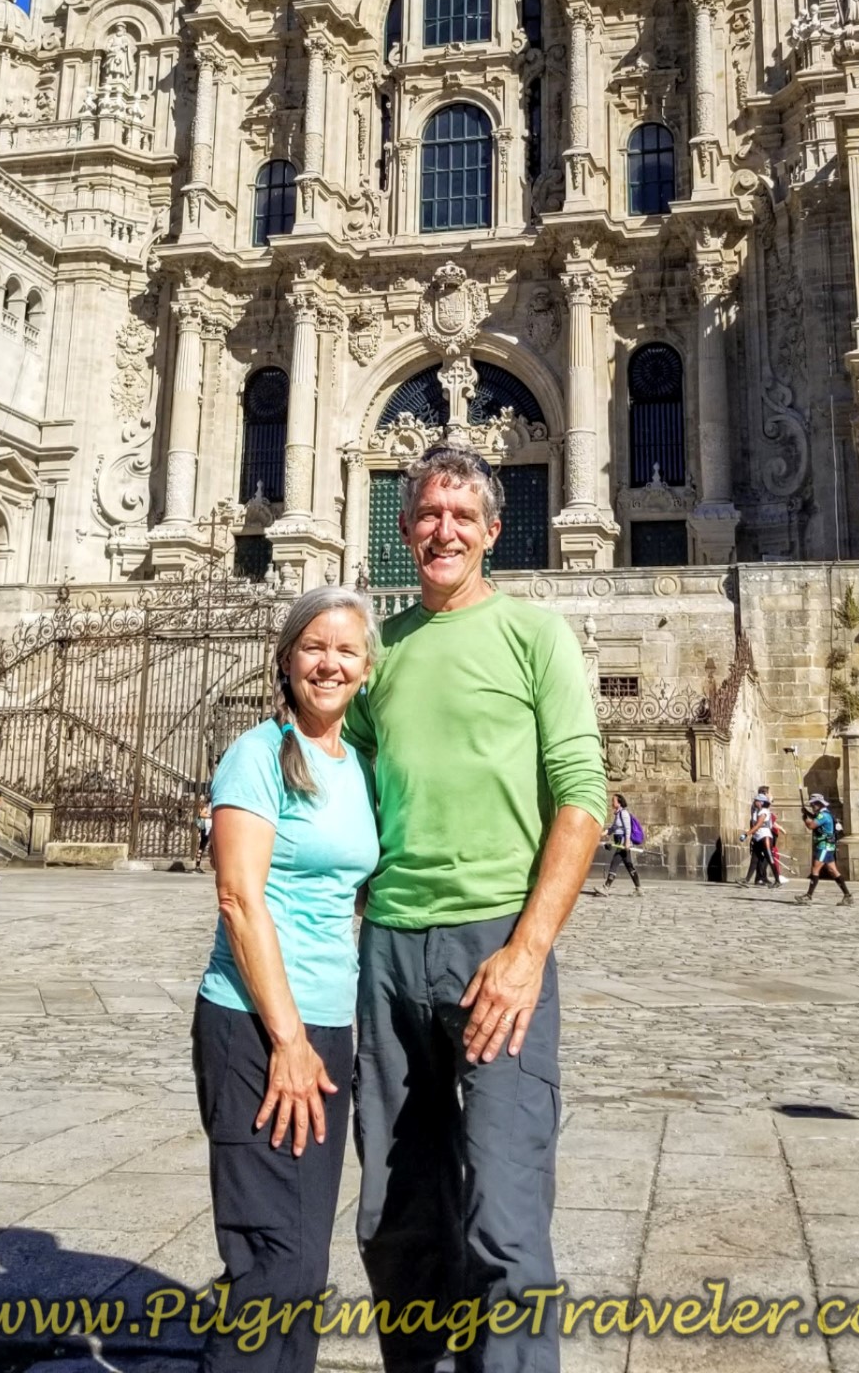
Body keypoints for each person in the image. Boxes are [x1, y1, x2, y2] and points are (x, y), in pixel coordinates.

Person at [346, 445, 607, 1371]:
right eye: (425, 513)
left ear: (495, 531)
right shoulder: (379, 653)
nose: (442, 530)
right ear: (403, 524)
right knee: (395, 1217)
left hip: (498, 949)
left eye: (462, 515)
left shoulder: (535, 637)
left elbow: (583, 793)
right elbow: (348, 790)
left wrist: (529, 950)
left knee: (505, 1219)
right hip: (388, 953)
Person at [194, 586, 378, 1373]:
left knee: (301, 1257)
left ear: (367, 670)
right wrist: (289, 1037)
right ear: (286, 659)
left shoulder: (359, 765)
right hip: (260, 1026)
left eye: (345, 650)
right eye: (314, 646)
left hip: (327, 1027)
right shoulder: (256, 754)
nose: (329, 662)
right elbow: (238, 898)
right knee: (275, 1259)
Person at [797, 791, 852, 905]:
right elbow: (816, 818)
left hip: (824, 846)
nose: (812, 806)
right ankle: (847, 895)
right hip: (828, 846)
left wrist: (805, 819)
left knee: (815, 870)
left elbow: (812, 825)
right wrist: (807, 813)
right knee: (833, 870)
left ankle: (809, 895)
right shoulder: (825, 814)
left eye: (813, 804)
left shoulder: (823, 815)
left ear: (819, 804)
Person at [599, 793, 642, 896]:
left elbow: (628, 828)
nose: (611, 802)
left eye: (613, 800)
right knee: (629, 865)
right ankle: (639, 889)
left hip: (623, 842)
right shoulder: (617, 814)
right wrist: (603, 833)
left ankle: (606, 887)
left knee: (614, 863)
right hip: (618, 842)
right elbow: (613, 828)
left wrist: (627, 842)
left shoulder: (624, 813)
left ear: (619, 802)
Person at [748, 797, 781, 887]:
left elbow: (758, 825)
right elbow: (753, 825)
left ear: (761, 803)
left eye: (756, 801)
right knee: (754, 859)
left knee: (770, 859)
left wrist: (747, 834)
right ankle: (746, 880)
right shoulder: (755, 812)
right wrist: (753, 835)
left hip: (765, 837)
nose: (754, 802)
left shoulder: (764, 812)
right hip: (757, 837)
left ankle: (777, 880)